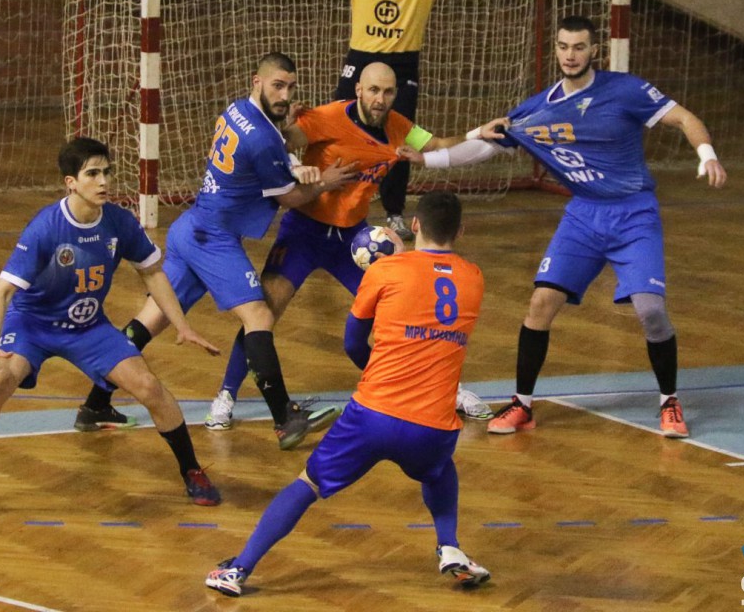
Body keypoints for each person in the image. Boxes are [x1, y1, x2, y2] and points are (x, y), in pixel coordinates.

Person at [401, 15, 727, 439]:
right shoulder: (538, 109)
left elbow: (684, 118)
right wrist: (427, 159)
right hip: (583, 215)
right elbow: (485, 147)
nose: (570, 55)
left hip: (634, 213)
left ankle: (669, 402)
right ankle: (522, 405)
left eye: (579, 47)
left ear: (594, 51)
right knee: (540, 304)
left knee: (651, 311)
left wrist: (707, 155)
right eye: (563, 46)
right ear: (555, 49)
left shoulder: (625, 90)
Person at [205, 191, 489, 597]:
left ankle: (237, 570)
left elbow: (353, 343)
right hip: (433, 425)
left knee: (307, 484)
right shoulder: (473, 278)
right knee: (440, 469)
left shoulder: (385, 271)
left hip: (372, 416)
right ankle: (449, 547)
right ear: (461, 231)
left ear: (414, 225)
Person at [73, 53, 355, 450]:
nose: (285, 94)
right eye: (278, 86)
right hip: (213, 238)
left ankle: (94, 405)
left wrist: (291, 160)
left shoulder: (238, 110)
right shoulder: (263, 138)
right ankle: (285, 418)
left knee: (150, 321)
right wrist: (323, 182)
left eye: (290, 87)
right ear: (257, 81)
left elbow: (273, 152)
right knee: (258, 315)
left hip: (191, 228)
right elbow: (290, 197)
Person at [0, 136, 223, 522]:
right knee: (0, 381)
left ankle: (192, 471)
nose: (103, 181)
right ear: (70, 182)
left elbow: (153, 273)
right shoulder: (46, 228)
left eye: (107, 172)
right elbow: (1, 291)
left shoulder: (119, 222)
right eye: (92, 174)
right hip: (33, 323)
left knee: (150, 387)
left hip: (87, 327)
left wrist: (182, 325)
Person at [198, 61, 493, 430]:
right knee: (264, 314)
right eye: (373, 90)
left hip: (353, 242)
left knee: (403, 311)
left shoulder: (400, 127)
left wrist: (480, 132)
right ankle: (226, 395)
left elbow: (438, 145)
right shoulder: (328, 117)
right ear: (358, 90)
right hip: (303, 232)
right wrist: (301, 166)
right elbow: (283, 142)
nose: (380, 99)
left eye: (387, 92)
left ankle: (445, 390)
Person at [308, 0, 479, 240]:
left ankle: (395, 212)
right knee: (336, 124)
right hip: (362, 58)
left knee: (401, 138)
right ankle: (324, 194)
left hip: (402, 64)